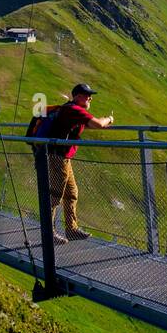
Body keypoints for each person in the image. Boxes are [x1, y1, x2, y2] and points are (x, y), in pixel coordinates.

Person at [43, 83, 114, 244]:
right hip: (58, 157)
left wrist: (101, 123)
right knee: (55, 196)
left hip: (63, 158)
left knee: (71, 193)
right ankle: (49, 233)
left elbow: (88, 125)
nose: (90, 97)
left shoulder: (71, 111)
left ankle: (71, 229)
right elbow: (97, 124)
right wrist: (109, 119)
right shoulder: (73, 110)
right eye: (87, 94)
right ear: (77, 96)